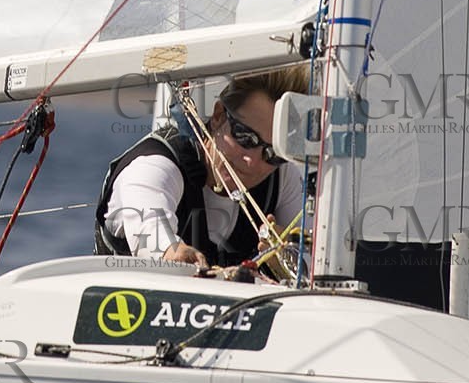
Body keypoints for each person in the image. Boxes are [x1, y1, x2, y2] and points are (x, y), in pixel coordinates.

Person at [95, 67, 309, 268]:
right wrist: (172, 251)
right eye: (245, 137)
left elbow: (312, 262)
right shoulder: (154, 166)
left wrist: (289, 259)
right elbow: (150, 231)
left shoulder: (281, 176)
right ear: (218, 116)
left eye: (271, 153)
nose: (252, 161)